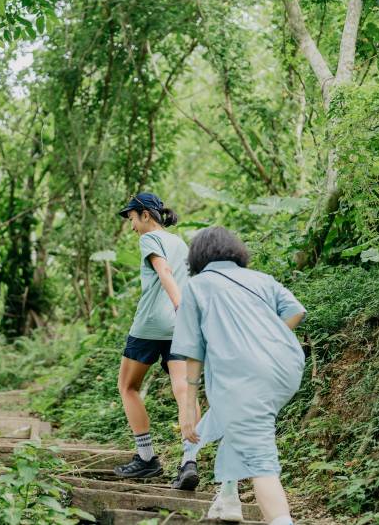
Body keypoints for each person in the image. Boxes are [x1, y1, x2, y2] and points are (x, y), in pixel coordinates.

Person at [171, 226, 306, 524]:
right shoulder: (261, 279)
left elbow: (193, 352)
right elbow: (296, 310)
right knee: (235, 417)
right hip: (285, 367)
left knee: (261, 460)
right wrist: (267, 341)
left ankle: (281, 520)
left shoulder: (197, 286)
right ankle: (228, 499)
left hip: (243, 375)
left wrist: (188, 408)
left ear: (197, 257)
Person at [113, 193, 201, 490]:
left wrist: (177, 303)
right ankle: (189, 460)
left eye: (132, 219)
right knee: (183, 388)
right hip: (181, 327)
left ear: (145, 216)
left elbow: (163, 271)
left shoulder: (150, 239)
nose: (132, 226)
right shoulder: (181, 243)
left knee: (127, 386)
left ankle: (147, 458)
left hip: (151, 325)